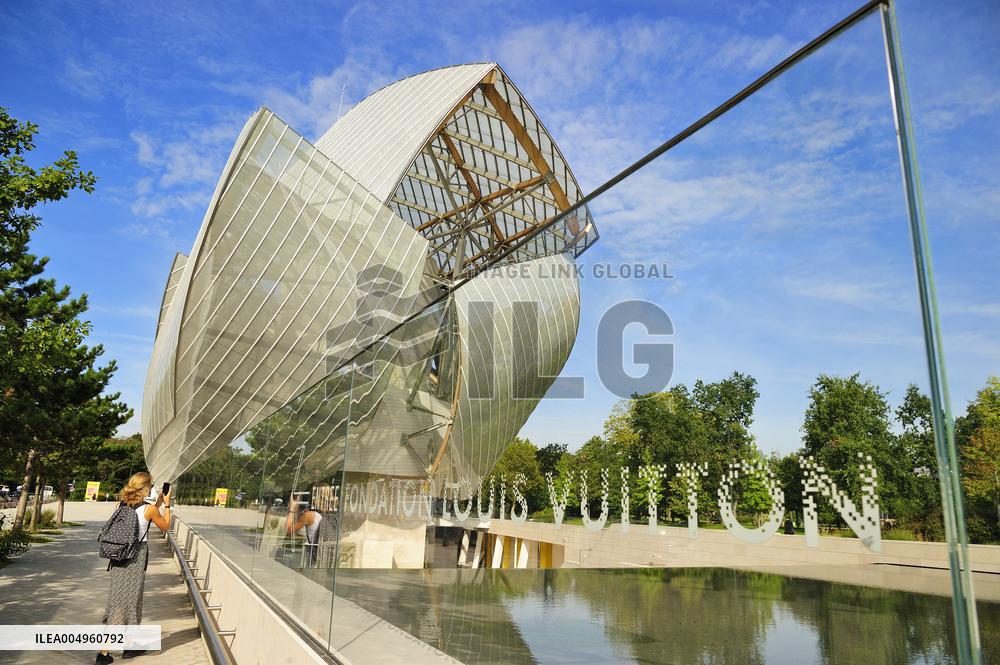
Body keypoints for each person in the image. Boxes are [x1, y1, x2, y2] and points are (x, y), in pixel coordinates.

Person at [96, 472, 172, 664]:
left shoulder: (121, 505)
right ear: (146, 488)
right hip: (135, 558)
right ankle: (103, 653)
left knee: (121, 601)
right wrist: (168, 504)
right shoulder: (149, 510)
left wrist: (159, 503)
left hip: (118, 558)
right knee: (126, 604)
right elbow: (165, 526)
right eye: (151, 485)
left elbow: (144, 514)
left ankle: (130, 645)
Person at [285, 493, 337, 567]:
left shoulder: (310, 515)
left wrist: (291, 510)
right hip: (326, 559)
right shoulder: (329, 516)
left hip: (313, 561)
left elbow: (288, 530)